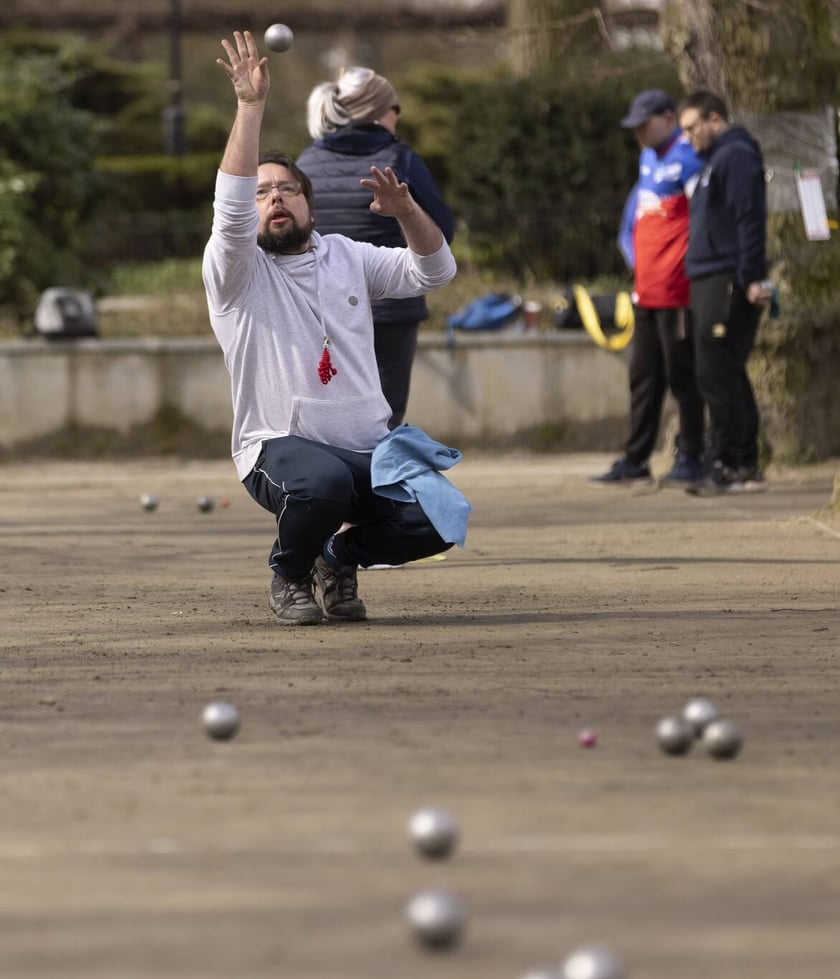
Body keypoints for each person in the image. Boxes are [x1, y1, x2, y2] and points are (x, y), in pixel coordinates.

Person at [203, 30, 464, 625]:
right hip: (277, 446)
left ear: (309, 206)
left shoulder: (347, 254)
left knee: (439, 515)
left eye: (288, 190)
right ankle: (288, 575)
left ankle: (334, 555)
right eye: (264, 191)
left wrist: (407, 213)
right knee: (320, 484)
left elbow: (436, 270)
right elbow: (230, 207)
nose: (275, 199)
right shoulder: (236, 272)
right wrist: (250, 108)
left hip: (368, 448)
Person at [297, 67, 455, 429]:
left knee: (327, 416)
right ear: (381, 111)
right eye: (395, 107)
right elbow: (441, 235)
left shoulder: (304, 163)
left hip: (324, 309)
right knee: (384, 419)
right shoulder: (401, 160)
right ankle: (376, 484)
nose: (399, 115)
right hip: (391, 310)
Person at [591, 88, 706, 488]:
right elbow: (636, 217)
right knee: (643, 377)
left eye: (645, 124)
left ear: (669, 118)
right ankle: (636, 458)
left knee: (682, 376)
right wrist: (635, 256)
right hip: (647, 291)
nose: (638, 133)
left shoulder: (690, 158)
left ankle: (693, 455)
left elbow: (703, 219)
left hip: (678, 294)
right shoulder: (647, 157)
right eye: (634, 127)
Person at [678, 90, 772, 495]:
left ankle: (729, 462)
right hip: (710, 276)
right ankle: (742, 462)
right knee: (724, 370)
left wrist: (751, 276)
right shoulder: (715, 162)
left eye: (691, 127)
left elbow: (749, 218)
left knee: (715, 371)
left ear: (714, 119)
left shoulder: (735, 156)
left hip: (726, 277)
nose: (687, 137)